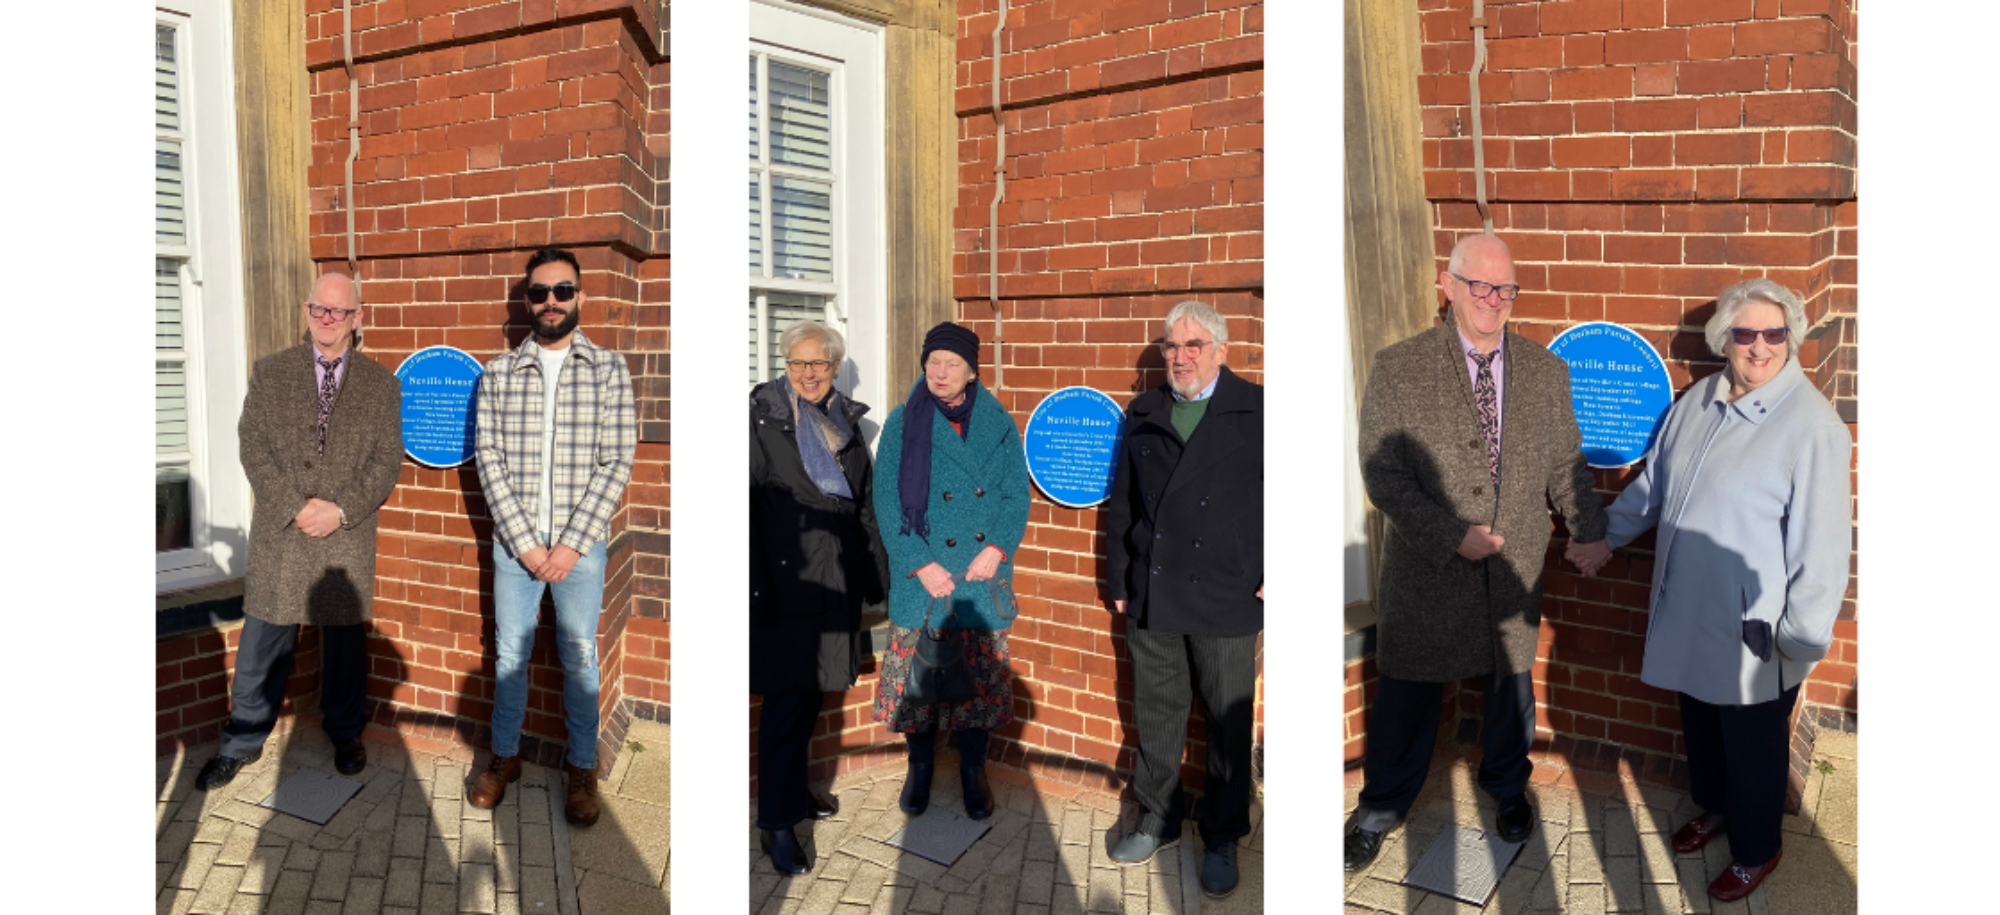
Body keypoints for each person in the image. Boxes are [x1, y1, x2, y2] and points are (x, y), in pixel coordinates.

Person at [1565, 278, 1850, 902]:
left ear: (1791, 339)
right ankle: (1719, 811)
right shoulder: (1699, 401)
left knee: (1752, 744)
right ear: (1725, 340)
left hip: (1757, 631)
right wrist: (1606, 538)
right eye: (1745, 333)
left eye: (1774, 334)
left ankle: (1758, 847)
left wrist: (1799, 642)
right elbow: (1653, 486)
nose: (1759, 347)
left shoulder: (1813, 429)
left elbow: (1822, 552)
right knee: (1703, 725)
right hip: (1691, 609)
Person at [1345, 233, 1611, 872]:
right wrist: (1448, 534)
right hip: (1429, 566)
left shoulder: (1545, 370)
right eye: (1479, 285)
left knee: (1508, 693)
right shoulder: (1399, 366)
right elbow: (1384, 477)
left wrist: (1589, 528)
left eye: (1505, 289)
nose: (1493, 299)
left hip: (1512, 565)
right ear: (1449, 284)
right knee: (1407, 695)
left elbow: (1564, 461)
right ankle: (1380, 807)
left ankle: (1507, 789)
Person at [196, 273, 403, 790]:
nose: (327, 319)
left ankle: (345, 730)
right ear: (305, 309)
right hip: (282, 531)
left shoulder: (383, 385)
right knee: (262, 641)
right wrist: (295, 505)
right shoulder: (272, 373)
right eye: (318, 309)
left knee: (344, 647)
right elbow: (253, 446)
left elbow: (385, 463)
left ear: (358, 316)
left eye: (338, 311)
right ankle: (241, 739)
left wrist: (340, 511)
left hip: (345, 535)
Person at [466, 248, 637, 827]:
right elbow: (488, 460)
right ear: (527, 301)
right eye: (539, 293)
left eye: (563, 290)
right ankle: (504, 757)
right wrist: (527, 544)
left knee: (579, 656)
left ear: (580, 297)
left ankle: (582, 767)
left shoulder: (609, 370)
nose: (551, 302)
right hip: (517, 546)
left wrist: (568, 546)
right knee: (510, 652)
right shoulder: (498, 373)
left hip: (579, 545)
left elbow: (616, 463)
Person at [1103, 301, 1265, 899]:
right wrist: (1121, 581)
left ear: (1222, 350)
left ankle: (1222, 834)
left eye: (1194, 345)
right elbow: (1123, 504)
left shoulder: (1259, 409)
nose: (1181, 357)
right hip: (1156, 591)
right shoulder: (1143, 410)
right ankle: (1158, 816)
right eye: (1172, 346)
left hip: (1228, 594)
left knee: (1226, 723)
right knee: (1159, 711)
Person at [871, 322, 1029, 824]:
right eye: (932, 362)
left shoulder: (998, 422)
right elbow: (887, 501)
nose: (940, 373)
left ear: (971, 371)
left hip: (980, 577)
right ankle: (919, 768)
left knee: (978, 685)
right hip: (924, 576)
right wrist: (920, 562)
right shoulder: (903, 422)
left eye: (952, 364)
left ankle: (972, 771)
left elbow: (1014, 496)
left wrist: (1000, 547)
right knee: (918, 686)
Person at [749, 321, 890, 875]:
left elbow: (864, 511)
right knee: (786, 707)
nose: (808, 373)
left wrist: (880, 583)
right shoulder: (760, 422)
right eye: (797, 363)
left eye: (819, 364)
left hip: (834, 584)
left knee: (810, 700)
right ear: (785, 367)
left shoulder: (847, 428)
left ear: (834, 367)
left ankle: (795, 792)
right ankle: (776, 825)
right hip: (784, 586)